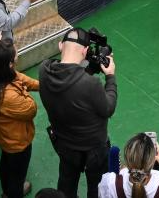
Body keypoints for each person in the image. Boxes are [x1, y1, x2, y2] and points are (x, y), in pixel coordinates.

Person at [40, 27, 118, 198]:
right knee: (97, 186)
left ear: (60, 46)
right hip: (94, 148)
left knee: (66, 182)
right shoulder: (91, 84)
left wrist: (89, 69)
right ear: (85, 51)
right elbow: (108, 108)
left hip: (65, 144)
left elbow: (69, 80)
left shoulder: (44, 70)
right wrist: (110, 76)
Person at [0, 37, 40, 198]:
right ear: (8, 64)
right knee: (17, 175)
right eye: (15, 55)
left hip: (3, 135)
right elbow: (31, 109)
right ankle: (14, 192)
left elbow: (16, 77)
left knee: (6, 164)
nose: (17, 55)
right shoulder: (9, 96)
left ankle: (6, 192)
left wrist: (40, 85)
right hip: (17, 142)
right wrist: (24, 89)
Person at [98, 133, 159, 198]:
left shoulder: (108, 183)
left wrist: (120, 172)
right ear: (153, 160)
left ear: (127, 160)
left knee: (114, 152)